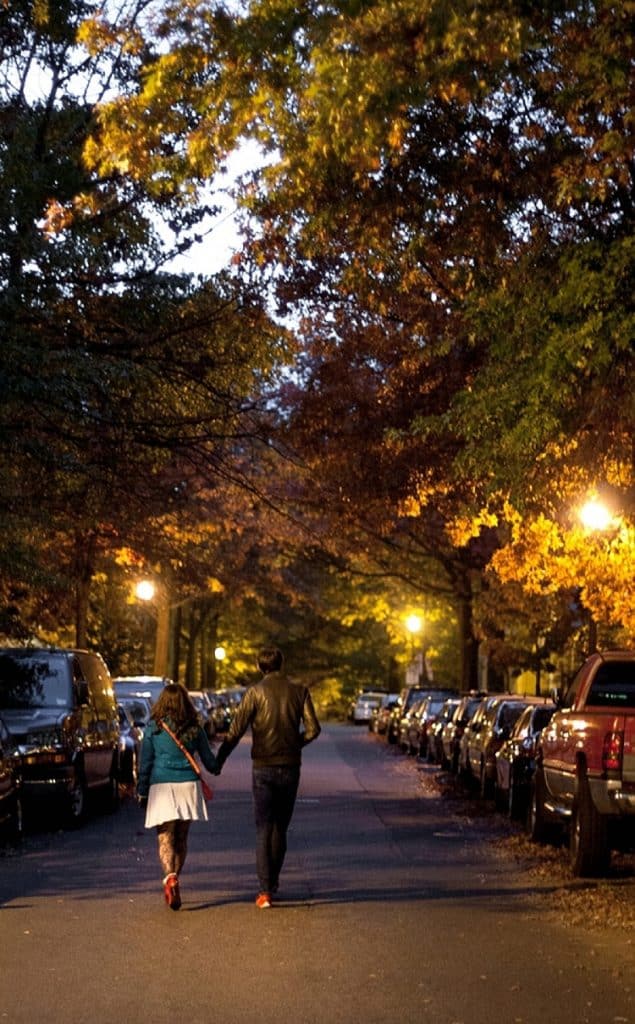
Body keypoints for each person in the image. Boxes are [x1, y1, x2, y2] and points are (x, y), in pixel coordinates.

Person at [215, 646, 321, 908]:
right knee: (280, 827)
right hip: (290, 766)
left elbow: (236, 729)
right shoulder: (299, 691)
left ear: (259, 666)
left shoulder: (254, 693)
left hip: (262, 767)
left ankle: (265, 890)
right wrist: (295, 744)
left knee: (264, 827)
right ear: (281, 664)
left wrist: (219, 760)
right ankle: (273, 880)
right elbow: (313, 729)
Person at [137, 682, 219, 911]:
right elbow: (210, 762)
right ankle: (175, 879)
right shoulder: (195, 728)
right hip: (187, 787)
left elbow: (145, 764)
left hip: (162, 786)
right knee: (181, 838)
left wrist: (142, 790)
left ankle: (170, 877)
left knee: (165, 838)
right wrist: (219, 762)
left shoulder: (154, 728)